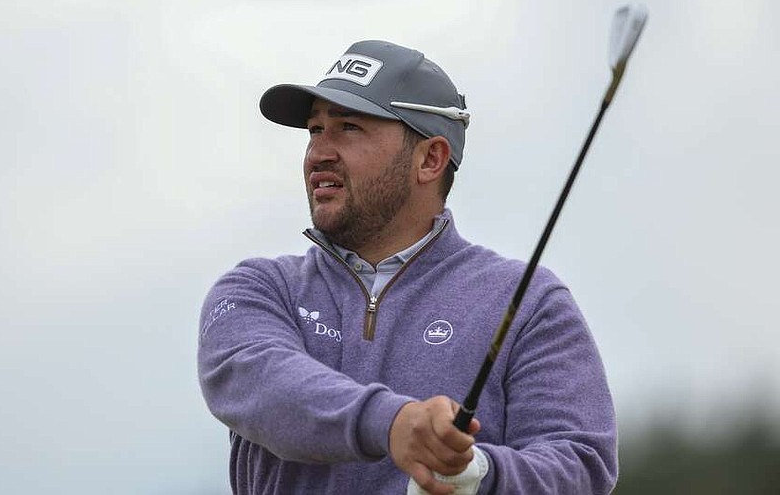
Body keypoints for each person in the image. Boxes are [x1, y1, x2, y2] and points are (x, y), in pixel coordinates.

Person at [197, 40, 617, 494]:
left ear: (430, 159)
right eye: (315, 129)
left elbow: (581, 466)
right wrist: (394, 424)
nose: (319, 152)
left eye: (349, 128)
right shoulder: (259, 289)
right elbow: (259, 384)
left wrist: (478, 475)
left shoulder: (529, 301)